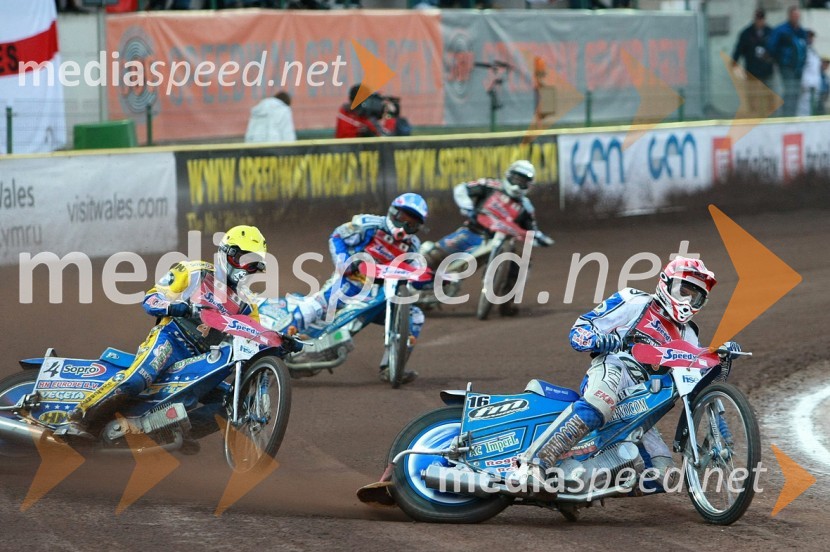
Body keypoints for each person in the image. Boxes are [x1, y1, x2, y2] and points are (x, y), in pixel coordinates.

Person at [512, 257, 743, 488]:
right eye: (681, 291)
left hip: (643, 401)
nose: (686, 300)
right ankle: (534, 463)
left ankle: (584, 482)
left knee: (666, 476)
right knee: (600, 404)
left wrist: (718, 357)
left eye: (694, 296)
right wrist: (599, 340)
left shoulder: (689, 334)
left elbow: (699, 384)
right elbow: (581, 328)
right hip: (614, 368)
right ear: (665, 283)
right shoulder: (634, 301)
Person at [59, 226, 274, 438]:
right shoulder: (194, 271)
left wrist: (280, 343)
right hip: (171, 339)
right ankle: (78, 418)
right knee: (137, 379)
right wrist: (177, 307)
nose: (247, 268)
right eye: (245, 260)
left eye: (254, 263)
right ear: (228, 253)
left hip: (202, 361)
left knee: (235, 403)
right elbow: (151, 299)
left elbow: (256, 337)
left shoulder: (248, 305)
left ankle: (175, 433)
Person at [279, 193, 429, 384]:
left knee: (415, 316)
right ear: (393, 213)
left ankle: (392, 367)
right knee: (312, 309)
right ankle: (272, 349)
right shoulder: (369, 224)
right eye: (403, 218)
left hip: (384, 297)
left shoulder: (414, 245)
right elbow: (337, 236)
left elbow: (414, 273)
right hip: (351, 283)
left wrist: (426, 280)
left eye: (412, 224)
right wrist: (345, 262)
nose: (405, 226)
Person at [421, 160, 554, 316]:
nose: (518, 185)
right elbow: (461, 189)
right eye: (516, 180)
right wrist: (468, 207)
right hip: (473, 231)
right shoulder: (490, 185)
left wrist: (540, 238)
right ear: (508, 176)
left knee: (522, 262)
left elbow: (532, 230)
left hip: (502, 242)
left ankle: (507, 302)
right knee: (435, 255)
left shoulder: (526, 207)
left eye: (523, 182)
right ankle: (407, 275)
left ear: (529, 186)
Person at [731, 8, 775, 117]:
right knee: (753, 98)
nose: (760, 21)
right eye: (758, 19)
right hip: (752, 72)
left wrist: (771, 58)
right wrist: (734, 64)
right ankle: (754, 117)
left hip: (767, 71)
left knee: (768, 98)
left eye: (761, 19)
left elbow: (776, 50)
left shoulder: (770, 32)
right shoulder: (746, 33)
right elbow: (739, 50)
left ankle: (768, 118)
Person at [767, 6, 808, 117]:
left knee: (796, 92)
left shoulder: (801, 31)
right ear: (789, 16)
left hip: (798, 67)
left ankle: (792, 114)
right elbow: (771, 46)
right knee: (789, 90)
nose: (796, 18)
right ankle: (787, 115)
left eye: (797, 16)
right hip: (786, 65)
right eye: (794, 15)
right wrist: (778, 59)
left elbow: (804, 47)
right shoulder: (782, 30)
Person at [798, 31, 822, 116]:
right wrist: (803, 82)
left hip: (815, 84)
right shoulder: (803, 49)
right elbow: (801, 66)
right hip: (806, 83)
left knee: (812, 107)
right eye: (809, 37)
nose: (811, 39)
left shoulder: (812, 50)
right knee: (803, 107)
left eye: (812, 37)